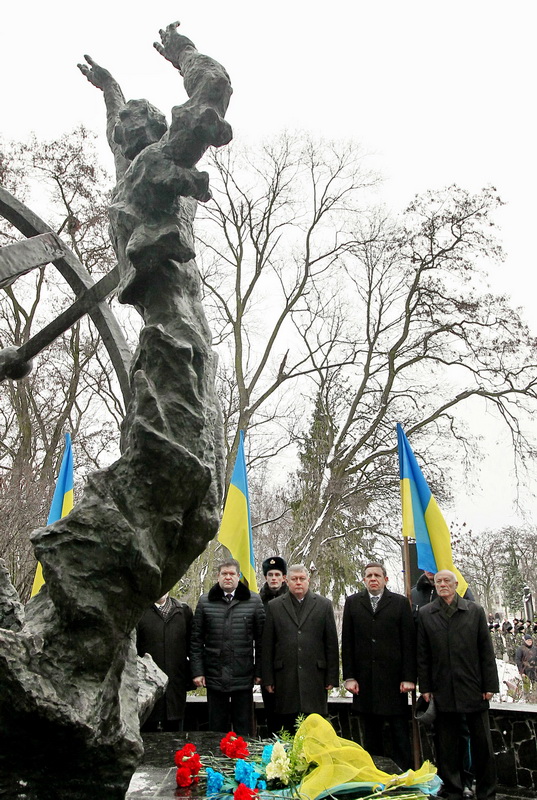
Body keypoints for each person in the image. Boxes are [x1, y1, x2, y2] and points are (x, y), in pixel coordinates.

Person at [418, 570, 498, 800]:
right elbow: (423, 654)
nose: (443, 584)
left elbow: (486, 651)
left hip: (474, 687)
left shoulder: (475, 611)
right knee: (447, 746)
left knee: (483, 745)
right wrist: (426, 687)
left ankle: (486, 792)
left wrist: (489, 685)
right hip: (442, 689)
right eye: (438, 581)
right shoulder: (426, 613)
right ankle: (453, 790)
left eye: (447, 581)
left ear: (456, 584)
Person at [341, 562, 416, 770]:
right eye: (369, 576)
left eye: (377, 575)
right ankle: (374, 775)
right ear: (364, 579)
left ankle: (403, 775)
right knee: (371, 735)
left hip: (394, 682)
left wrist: (409, 677)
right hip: (365, 682)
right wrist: (350, 677)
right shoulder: (353, 603)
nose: (373, 579)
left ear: (385, 579)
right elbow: (347, 642)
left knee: (399, 734)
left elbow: (408, 642)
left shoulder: (400, 603)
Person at [190, 558, 265, 736]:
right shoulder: (205, 602)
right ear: (218, 576)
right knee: (216, 729)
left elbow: (262, 641)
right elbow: (196, 640)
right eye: (224, 573)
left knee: (243, 729)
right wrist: (198, 671)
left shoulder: (254, 601)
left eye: (232, 574)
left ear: (238, 576)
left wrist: (260, 672)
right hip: (214, 675)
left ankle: (244, 754)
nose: (228, 577)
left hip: (243, 675)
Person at [262, 564, 339, 733]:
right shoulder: (274, 606)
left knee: (314, 730)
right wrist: (267, 678)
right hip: (284, 678)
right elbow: (267, 645)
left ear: (308, 580)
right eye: (294, 579)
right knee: (286, 730)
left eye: (302, 579)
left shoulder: (324, 605)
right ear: (287, 581)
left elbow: (331, 643)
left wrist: (332, 676)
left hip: (315, 678)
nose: (298, 582)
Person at [136, 592, 193, 731]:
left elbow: (193, 647)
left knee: (175, 732)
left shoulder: (183, 611)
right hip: (147, 688)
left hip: (176, 685)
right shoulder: (138, 612)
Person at [259, 556, 289, 735]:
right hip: (267, 666)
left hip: (288, 667)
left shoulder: (291, 599)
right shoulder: (258, 601)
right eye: (270, 575)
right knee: (272, 718)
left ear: (284, 577)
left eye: (277, 574)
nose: (274, 578)